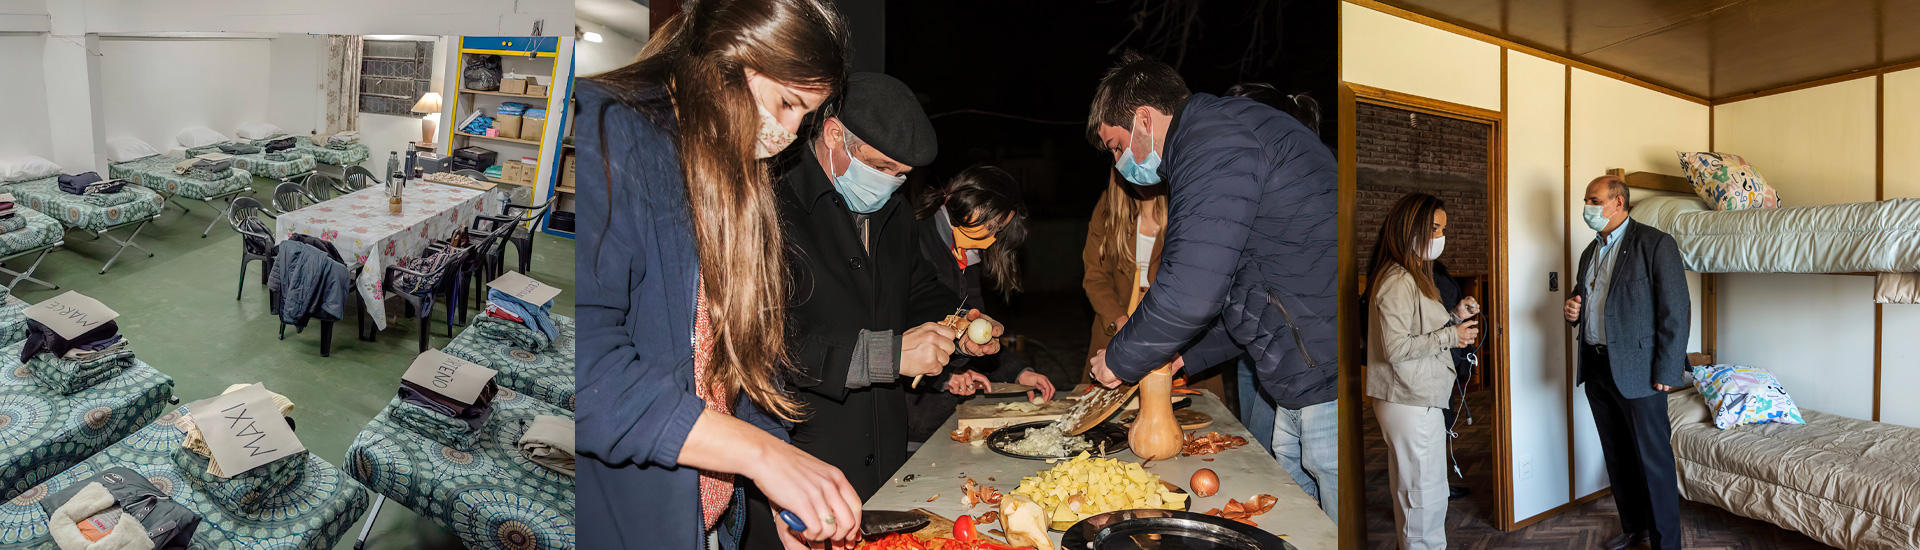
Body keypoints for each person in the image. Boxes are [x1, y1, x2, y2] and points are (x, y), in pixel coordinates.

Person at [571, 1, 862, 549]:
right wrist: (761, 455)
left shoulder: (729, 169)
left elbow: (737, 362)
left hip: (705, 526)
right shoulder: (607, 130)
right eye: (787, 103)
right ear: (727, 60)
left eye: (806, 115)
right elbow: (587, 370)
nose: (792, 132)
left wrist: (777, 479)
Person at [744, 71, 1007, 548]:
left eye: (901, 174)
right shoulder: (769, 203)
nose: (890, 183)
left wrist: (961, 320)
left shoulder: (893, 210)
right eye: (881, 167)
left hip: (883, 454)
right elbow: (771, 342)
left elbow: (918, 289)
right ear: (833, 134)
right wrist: (885, 356)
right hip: (807, 454)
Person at [1083, 51, 1341, 521]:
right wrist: (1188, 355)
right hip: (1300, 372)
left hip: (1322, 373)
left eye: (1117, 146)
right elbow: (1244, 286)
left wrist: (1120, 360)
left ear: (1144, 118)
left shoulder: (1212, 141)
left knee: (1326, 526)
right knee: (1299, 519)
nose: (1119, 163)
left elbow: (1189, 291)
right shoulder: (1217, 137)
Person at [1565, 175, 1688, 550]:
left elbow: (1676, 312)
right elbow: (1585, 299)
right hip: (1597, 366)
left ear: (1618, 202)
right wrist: (1572, 310)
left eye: (1593, 200)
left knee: (1654, 463)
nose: (1587, 207)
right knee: (1617, 456)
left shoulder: (1655, 244)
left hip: (1641, 373)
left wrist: (1667, 371)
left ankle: (1667, 544)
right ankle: (1637, 529)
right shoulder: (1591, 251)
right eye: (1586, 200)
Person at [904, 164, 1057, 445]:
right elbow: (902, 332)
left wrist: (1018, 372)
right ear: (966, 200)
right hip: (910, 418)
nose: (992, 239)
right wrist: (944, 377)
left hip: (946, 412)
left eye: (998, 230)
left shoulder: (967, 251)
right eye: (990, 226)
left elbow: (976, 329)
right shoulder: (914, 241)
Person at [1365, 193, 1480, 550]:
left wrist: (1454, 317)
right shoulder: (1398, 279)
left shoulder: (1412, 274)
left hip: (1412, 398)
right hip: (1411, 401)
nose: (1439, 236)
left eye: (1443, 229)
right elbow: (1396, 348)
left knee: (1414, 493)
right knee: (1425, 499)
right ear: (1410, 226)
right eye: (1433, 228)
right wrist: (1452, 335)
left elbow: (1415, 329)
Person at [1220, 82, 1323, 455]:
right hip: (1257, 345)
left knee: (1268, 458)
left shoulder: (1300, 192)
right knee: (1256, 444)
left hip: (1296, 356)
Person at [1081, 168, 1166, 379]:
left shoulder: (1185, 204)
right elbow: (1095, 276)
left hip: (1170, 330)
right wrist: (1119, 320)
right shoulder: (1108, 206)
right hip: (1117, 330)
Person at [1430, 256, 1481, 501]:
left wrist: (1459, 312)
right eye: (1435, 228)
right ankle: (1435, 486)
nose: (1440, 236)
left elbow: (1443, 315)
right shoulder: (1405, 276)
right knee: (1436, 425)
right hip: (1429, 364)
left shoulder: (1437, 267)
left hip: (1446, 356)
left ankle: (1441, 482)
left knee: (1445, 420)